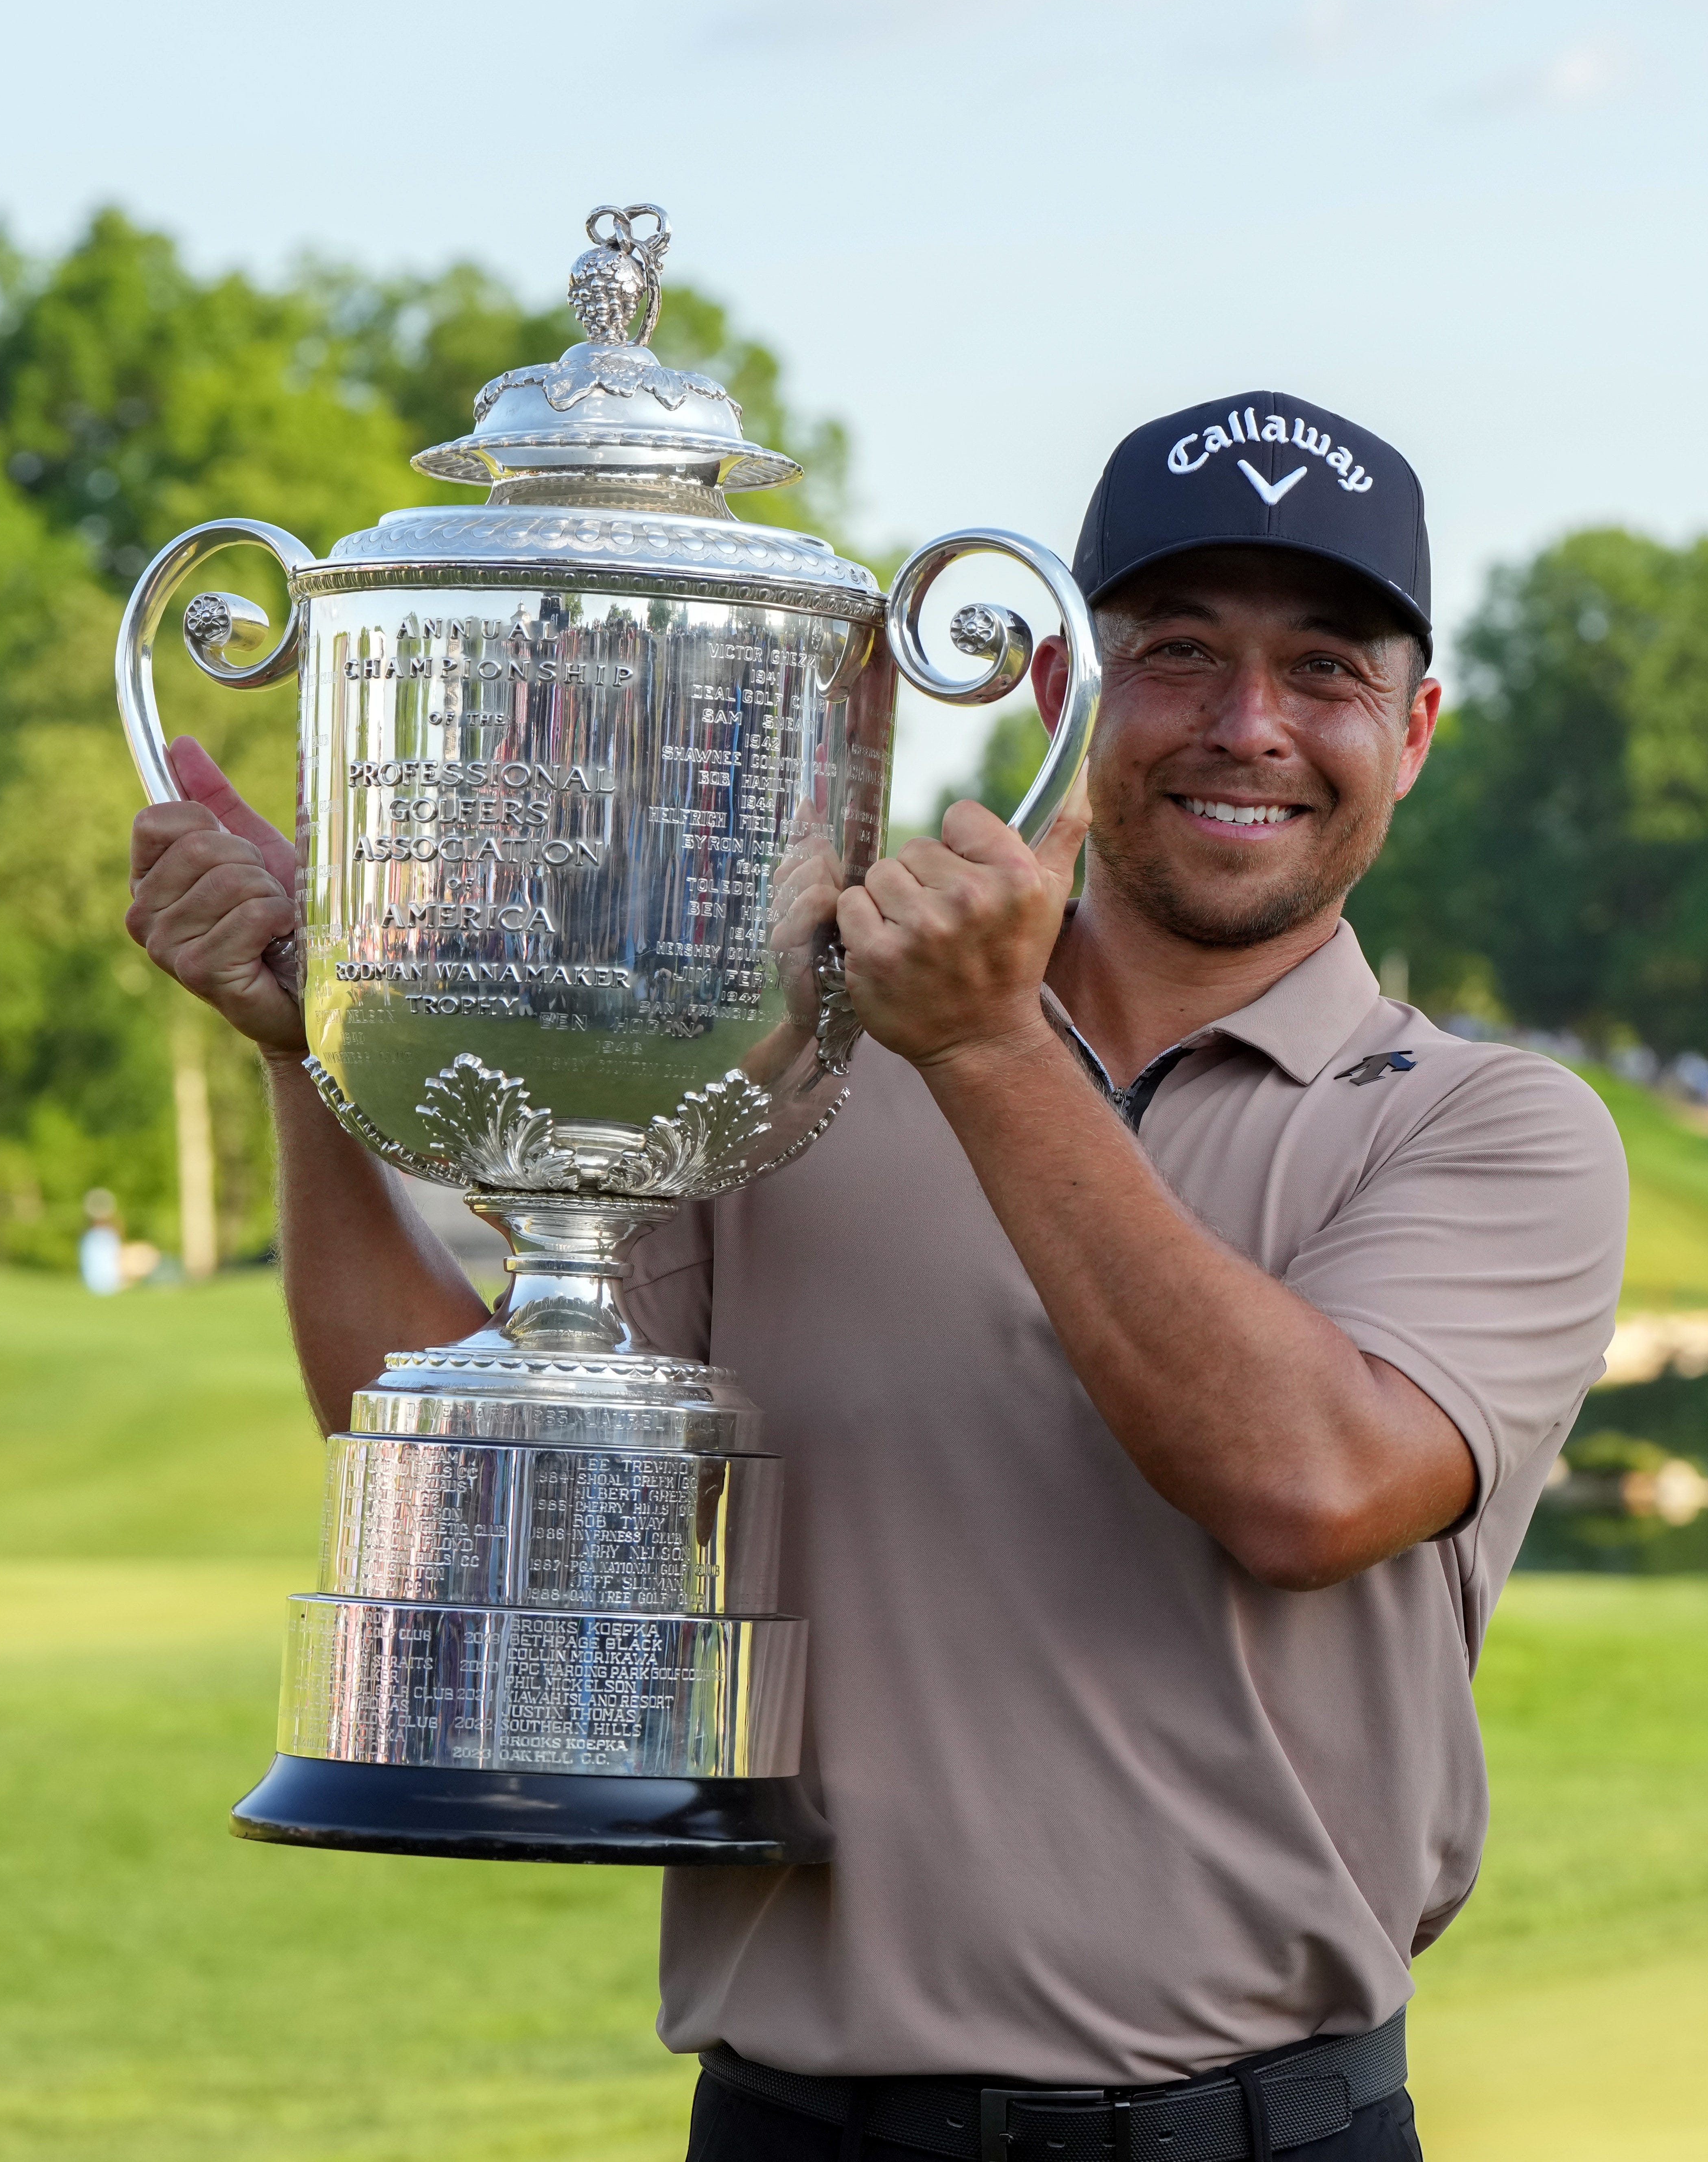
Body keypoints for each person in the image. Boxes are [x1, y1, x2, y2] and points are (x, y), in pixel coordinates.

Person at [125, 389, 1627, 2162]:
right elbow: (481, 1521)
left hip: (1253, 2137)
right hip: (796, 2130)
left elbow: (1308, 1485)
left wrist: (988, 1051)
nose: (1249, 728)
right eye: (1176, 653)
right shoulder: (800, 1065)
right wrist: (313, 1056)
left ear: (1417, 729)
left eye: (1326, 672)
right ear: (1063, 687)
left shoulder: (1485, 1128)